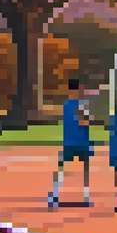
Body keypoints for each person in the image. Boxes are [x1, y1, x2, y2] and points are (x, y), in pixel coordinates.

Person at [50, 78, 96, 209]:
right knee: (85, 168)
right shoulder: (80, 105)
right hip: (81, 142)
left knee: (61, 167)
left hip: (69, 142)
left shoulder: (66, 105)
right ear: (77, 89)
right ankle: (85, 196)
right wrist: (90, 118)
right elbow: (84, 121)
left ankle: (55, 195)